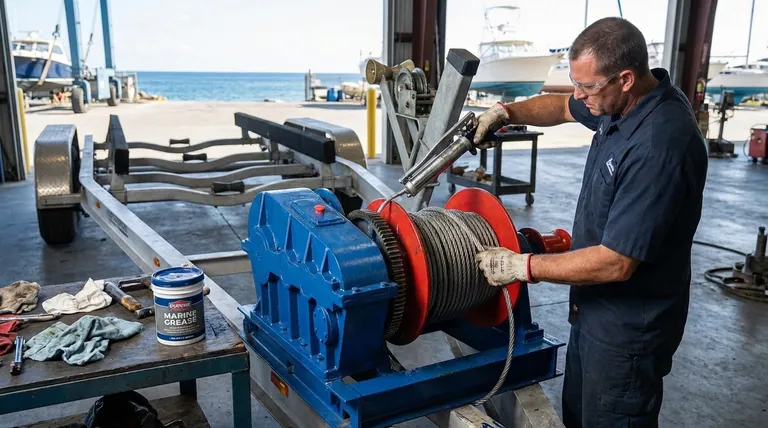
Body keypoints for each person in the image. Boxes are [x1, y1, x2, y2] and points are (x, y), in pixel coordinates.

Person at [473, 17, 708, 428]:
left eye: (588, 87)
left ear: (627, 78)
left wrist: (520, 266)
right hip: (593, 312)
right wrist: (505, 111)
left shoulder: (661, 143)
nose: (580, 95)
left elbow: (616, 262)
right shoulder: (617, 101)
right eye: (575, 82)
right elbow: (562, 106)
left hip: (628, 336)